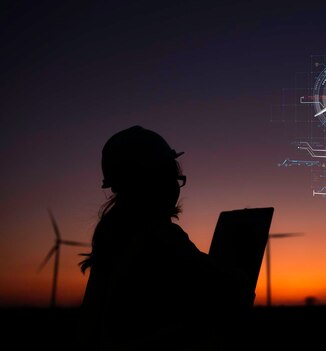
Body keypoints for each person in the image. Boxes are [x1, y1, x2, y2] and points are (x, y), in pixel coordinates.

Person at [76, 126, 252, 350]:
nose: (175, 186)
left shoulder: (112, 238)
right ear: (154, 181)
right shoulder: (161, 237)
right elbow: (230, 290)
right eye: (172, 177)